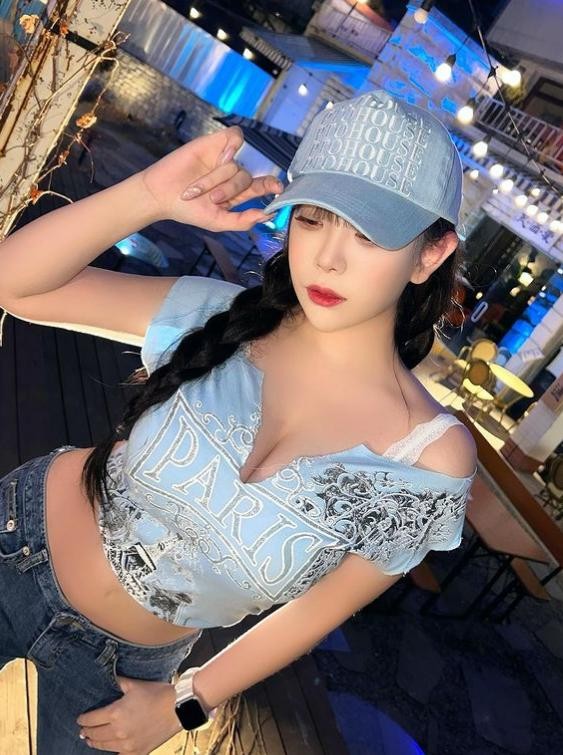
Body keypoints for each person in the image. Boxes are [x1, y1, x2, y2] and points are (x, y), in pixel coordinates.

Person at [0, 89, 478, 753]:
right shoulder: (218, 317)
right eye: (312, 219)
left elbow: (317, 610)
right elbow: (16, 283)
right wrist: (150, 195)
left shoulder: (426, 459)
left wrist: (188, 701)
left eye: (368, 234)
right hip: (17, 541)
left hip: (119, 674)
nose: (328, 257)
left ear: (430, 254)